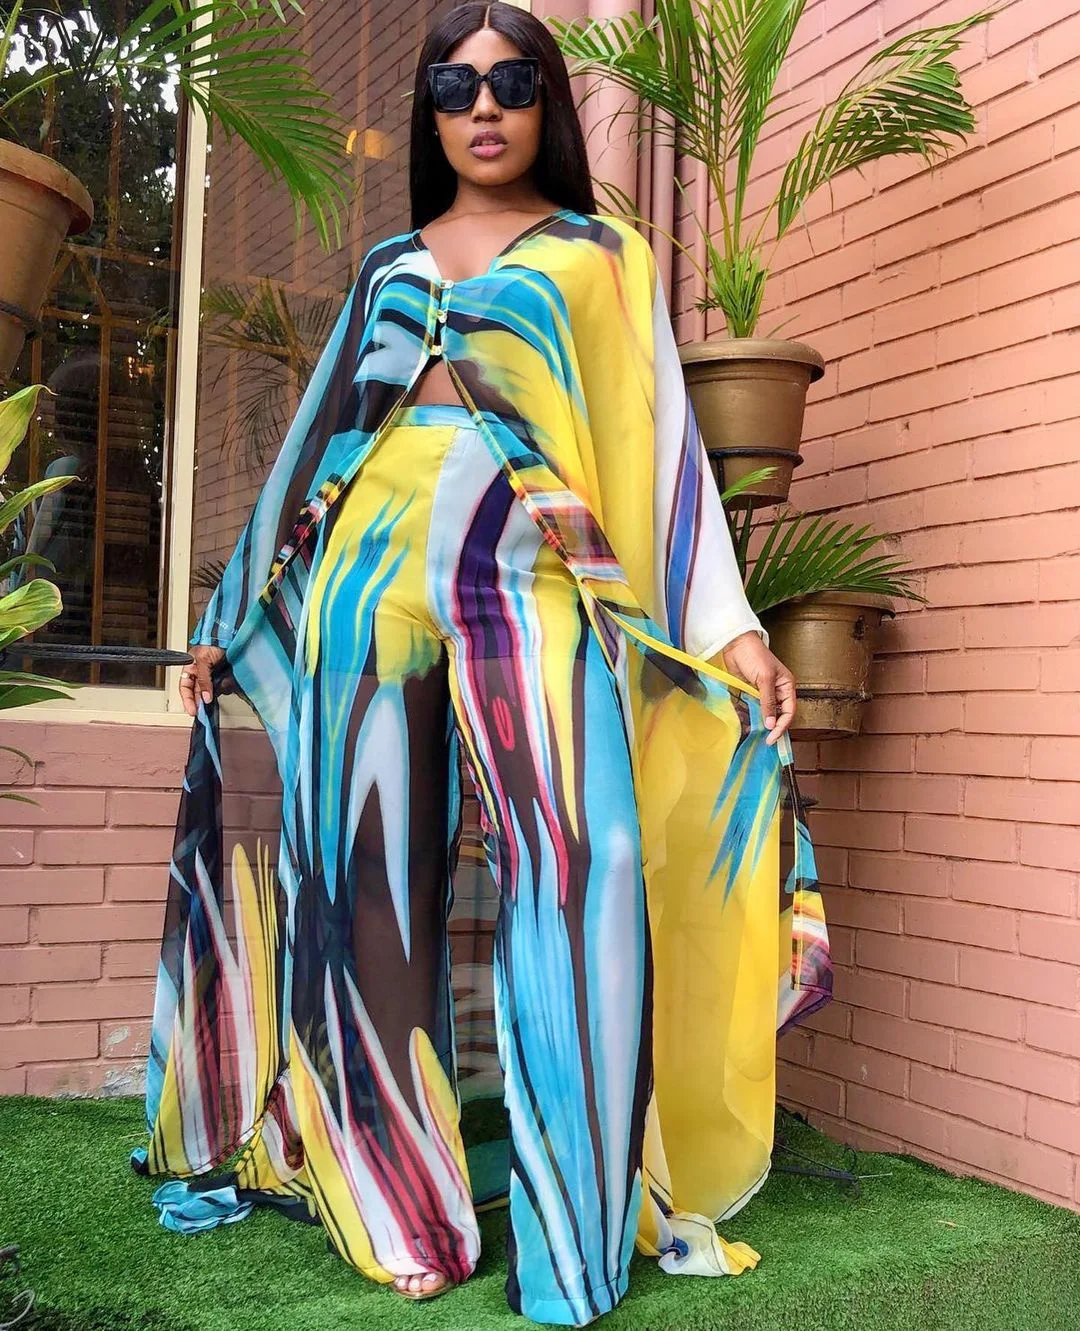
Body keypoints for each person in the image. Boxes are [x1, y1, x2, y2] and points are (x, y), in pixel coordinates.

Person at [132, 3, 832, 1326]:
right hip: (364, 577)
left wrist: (728, 623)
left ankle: (576, 1236)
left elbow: (664, 453)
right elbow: (314, 442)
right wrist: (229, 613)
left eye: (512, 81)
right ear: (430, 114)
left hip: (534, 570)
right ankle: (397, 1200)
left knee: (587, 856)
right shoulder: (387, 263)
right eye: (455, 88)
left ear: (546, 99)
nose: (485, 107)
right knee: (364, 879)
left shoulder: (602, 257)